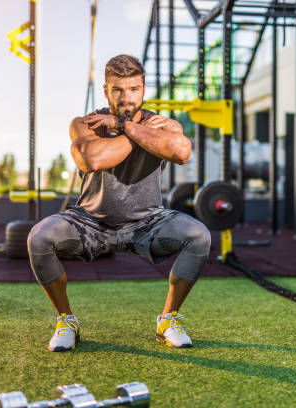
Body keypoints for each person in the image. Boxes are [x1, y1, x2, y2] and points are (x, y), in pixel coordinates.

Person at [27, 54, 211, 351]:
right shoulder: (85, 123)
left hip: (147, 222)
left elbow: (181, 152)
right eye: (118, 90)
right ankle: (66, 320)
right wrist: (136, 129)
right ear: (106, 90)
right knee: (39, 238)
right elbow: (92, 159)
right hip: (90, 221)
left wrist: (122, 125)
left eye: (134, 89)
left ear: (143, 89)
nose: (126, 97)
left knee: (199, 236)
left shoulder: (164, 123)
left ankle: (168, 318)